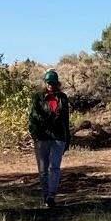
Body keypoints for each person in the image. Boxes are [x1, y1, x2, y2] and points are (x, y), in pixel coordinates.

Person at [28, 69, 72, 206]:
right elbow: (32, 118)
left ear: (57, 83)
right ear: (45, 83)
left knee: (54, 167)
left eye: (53, 83)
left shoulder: (62, 98)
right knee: (43, 169)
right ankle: (45, 195)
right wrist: (35, 135)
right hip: (42, 137)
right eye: (48, 82)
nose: (50, 85)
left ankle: (51, 196)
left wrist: (67, 138)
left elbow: (66, 119)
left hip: (58, 137)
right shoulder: (38, 97)